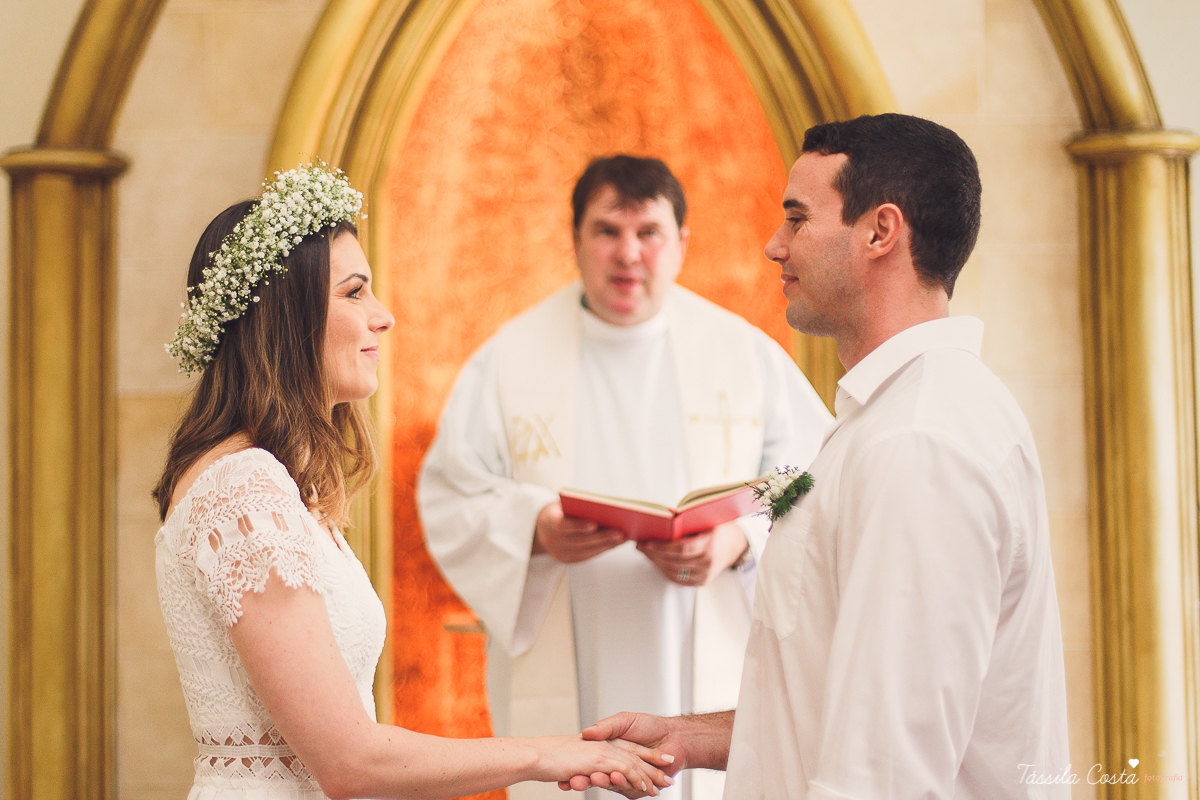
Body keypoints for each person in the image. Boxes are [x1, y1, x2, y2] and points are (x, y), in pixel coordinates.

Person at [570, 114, 1071, 798]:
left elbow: (889, 770)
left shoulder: (918, 445)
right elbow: (847, 693)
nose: (775, 246)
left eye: (798, 218)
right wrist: (694, 738)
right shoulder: (895, 415)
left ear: (880, 232)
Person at [152, 163, 673, 800]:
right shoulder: (244, 487)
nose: (384, 316)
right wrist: (549, 752)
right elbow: (350, 764)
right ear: (285, 320)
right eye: (354, 293)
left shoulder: (269, 484)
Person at [418, 155, 831, 799]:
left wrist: (738, 542)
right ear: (574, 237)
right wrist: (536, 528)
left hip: (704, 652)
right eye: (607, 231)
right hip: (569, 656)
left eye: (649, 233)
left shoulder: (744, 355)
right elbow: (453, 491)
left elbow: (815, 477)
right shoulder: (510, 358)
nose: (628, 254)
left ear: (683, 243)